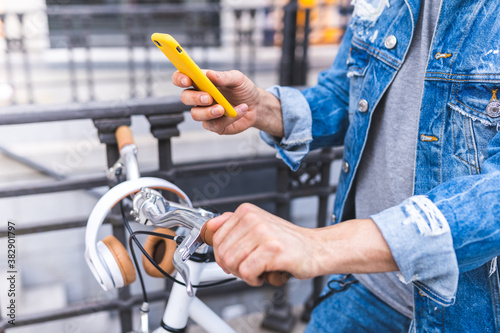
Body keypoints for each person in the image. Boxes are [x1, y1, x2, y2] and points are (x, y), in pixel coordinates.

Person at [172, 0, 500, 331]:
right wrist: (263, 108)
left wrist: (318, 245)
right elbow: (349, 95)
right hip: (365, 286)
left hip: (468, 314)